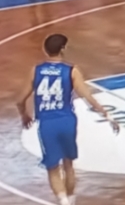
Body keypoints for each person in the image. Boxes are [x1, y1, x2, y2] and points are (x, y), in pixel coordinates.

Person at [15, 34, 119, 205]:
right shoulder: (71, 71)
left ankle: (63, 201)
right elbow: (87, 97)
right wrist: (107, 115)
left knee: (52, 167)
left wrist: (24, 116)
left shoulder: (36, 70)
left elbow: (20, 100)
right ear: (63, 49)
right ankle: (71, 199)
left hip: (47, 123)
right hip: (67, 121)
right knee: (68, 164)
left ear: (45, 50)